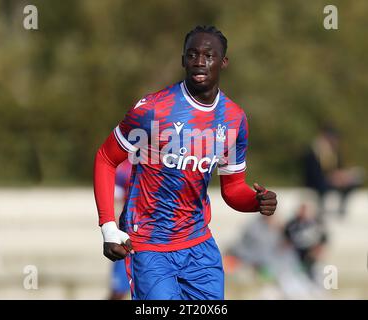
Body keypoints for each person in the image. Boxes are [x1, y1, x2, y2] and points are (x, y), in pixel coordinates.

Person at [93, 25, 277, 300]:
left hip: (199, 246)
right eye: (192, 55)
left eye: (208, 55)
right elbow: (106, 159)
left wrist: (255, 201)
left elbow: (232, 188)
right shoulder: (153, 109)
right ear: (183, 61)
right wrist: (108, 227)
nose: (199, 62)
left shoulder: (234, 119)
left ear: (223, 62)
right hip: (150, 246)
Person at [303, 125, 364, 217]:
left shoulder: (334, 151)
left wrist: (342, 177)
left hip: (331, 180)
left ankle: (341, 208)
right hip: (317, 182)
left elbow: (338, 168)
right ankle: (321, 208)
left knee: (352, 182)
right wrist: (330, 178)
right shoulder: (314, 151)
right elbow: (313, 173)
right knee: (324, 185)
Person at [284, 203, 327, 280]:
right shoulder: (292, 224)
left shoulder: (317, 223)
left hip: (311, 252)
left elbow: (323, 240)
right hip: (295, 252)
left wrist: (317, 251)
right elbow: (286, 239)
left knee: (315, 266)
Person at [108, 160, 132, 300]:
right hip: (127, 235)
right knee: (118, 293)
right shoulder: (124, 168)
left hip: (155, 236)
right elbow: (114, 201)